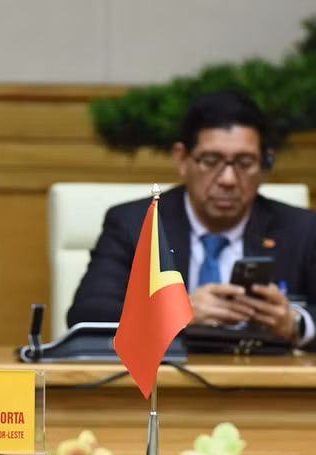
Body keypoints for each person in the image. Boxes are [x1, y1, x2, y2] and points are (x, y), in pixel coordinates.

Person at [67, 90, 316, 351]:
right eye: (211, 161)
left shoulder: (301, 229)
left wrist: (295, 323)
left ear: (265, 164)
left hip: (266, 385)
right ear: (182, 160)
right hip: (166, 385)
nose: (228, 179)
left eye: (245, 162)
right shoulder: (135, 224)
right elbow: (87, 314)